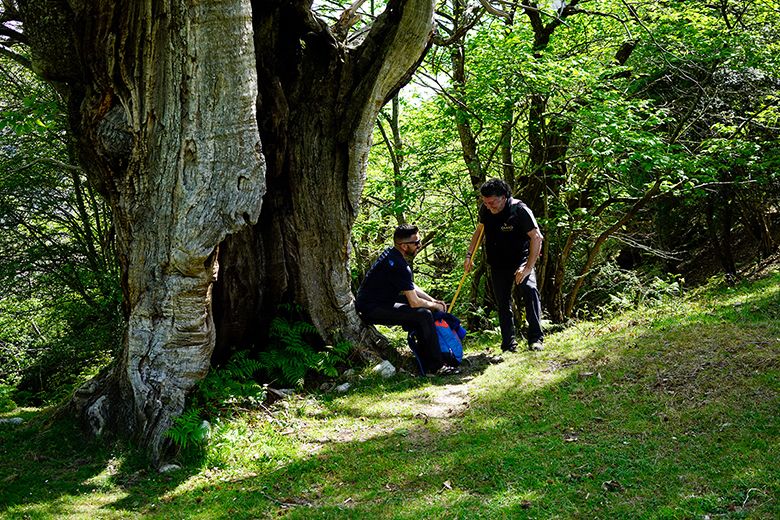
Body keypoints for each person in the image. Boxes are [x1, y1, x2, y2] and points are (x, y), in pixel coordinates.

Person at [464, 178, 544, 352]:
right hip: (498, 264)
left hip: (522, 261)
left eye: (492, 202)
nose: (489, 206)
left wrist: (528, 267)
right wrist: (469, 255)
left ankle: (536, 338)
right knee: (502, 302)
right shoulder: (485, 211)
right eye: (485, 203)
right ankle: (508, 344)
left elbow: (536, 237)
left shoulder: (520, 210)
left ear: (504, 196)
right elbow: (479, 232)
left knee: (529, 291)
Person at [356, 224, 447, 374]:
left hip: (380, 301)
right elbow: (414, 301)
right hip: (371, 309)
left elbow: (409, 286)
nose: (420, 245)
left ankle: (426, 357)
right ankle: (436, 367)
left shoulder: (393, 254)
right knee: (424, 314)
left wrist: (433, 300)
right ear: (404, 246)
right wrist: (435, 306)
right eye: (416, 242)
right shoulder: (398, 264)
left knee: (423, 311)